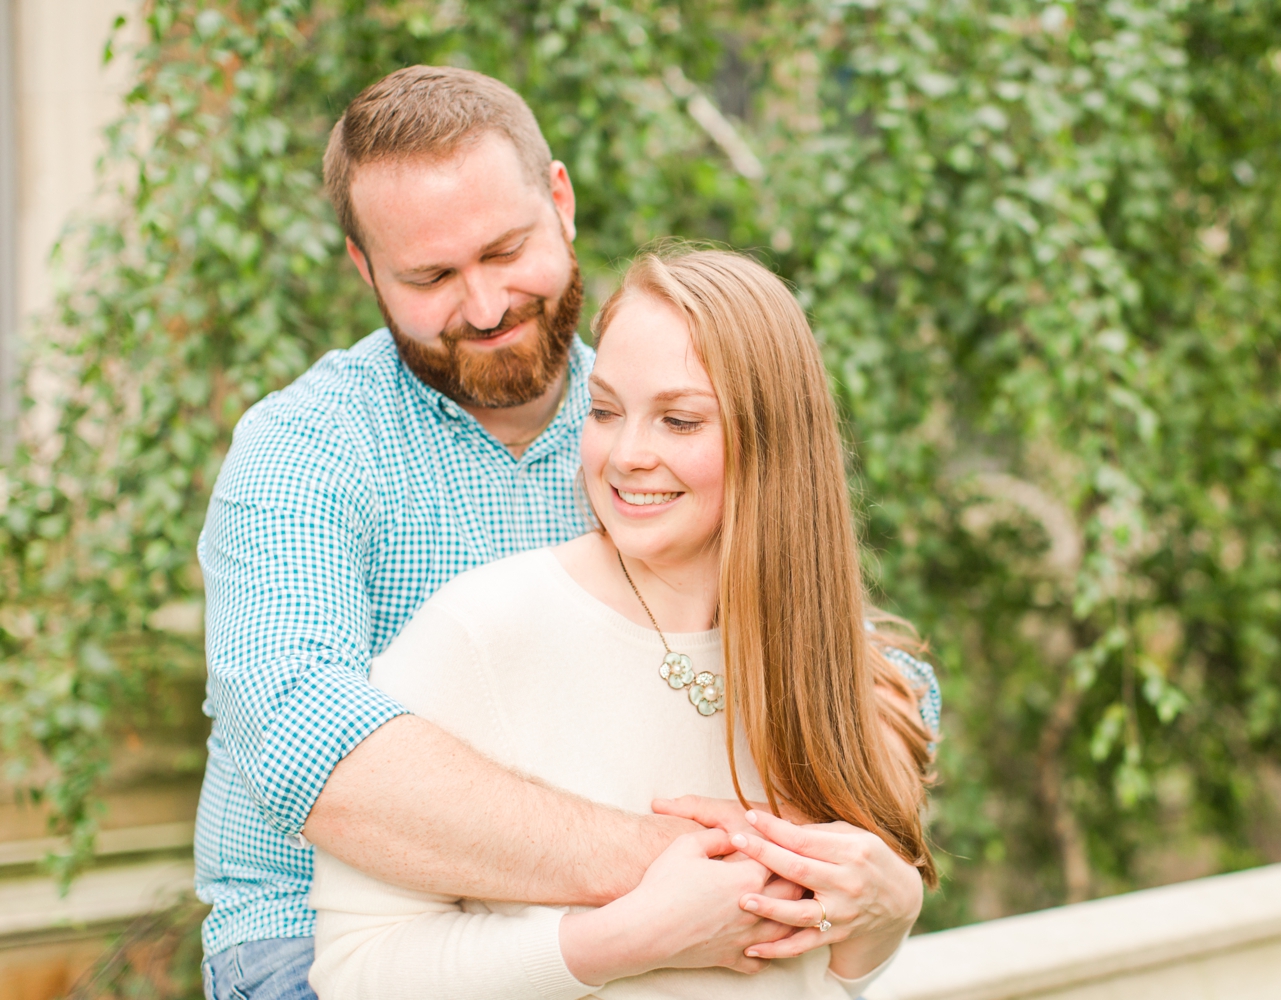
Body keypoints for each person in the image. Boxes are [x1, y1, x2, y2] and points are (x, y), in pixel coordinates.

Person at [193, 67, 940, 1000]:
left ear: (561, 200)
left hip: (638, 938)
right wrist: (668, 870)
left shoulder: (653, 414)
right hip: (316, 948)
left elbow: (837, 636)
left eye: (505, 251)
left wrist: (874, 871)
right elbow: (303, 737)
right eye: (430, 276)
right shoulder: (305, 451)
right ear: (364, 268)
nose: (485, 306)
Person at [307, 246, 938, 999]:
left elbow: (825, 977)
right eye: (605, 411)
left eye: (678, 420)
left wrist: (891, 910)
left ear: (776, 443)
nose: (628, 454)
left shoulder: (840, 663)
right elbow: (355, 976)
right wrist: (627, 939)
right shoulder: (476, 634)